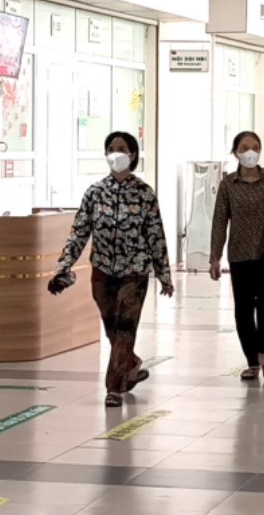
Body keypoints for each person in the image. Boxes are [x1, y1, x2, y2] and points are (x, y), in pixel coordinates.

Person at [51, 132, 174, 408]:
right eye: (111, 148)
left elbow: (156, 235)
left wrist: (164, 275)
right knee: (113, 327)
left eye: (121, 148)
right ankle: (129, 363)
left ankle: (114, 388)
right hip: (103, 271)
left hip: (135, 272)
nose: (115, 153)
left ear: (132, 155)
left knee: (125, 329)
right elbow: (78, 232)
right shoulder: (94, 193)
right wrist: (63, 266)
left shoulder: (144, 194)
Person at [210, 132, 264, 382]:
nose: (250, 152)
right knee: (243, 308)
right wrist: (214, 257)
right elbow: (220, 221)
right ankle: (251, 361)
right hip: (239, 254)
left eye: (255, 147)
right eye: (244, 147)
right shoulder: (228, 184)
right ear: (235, 152)